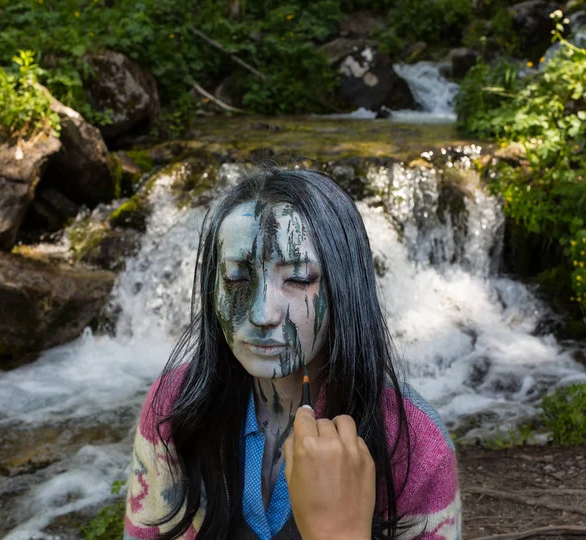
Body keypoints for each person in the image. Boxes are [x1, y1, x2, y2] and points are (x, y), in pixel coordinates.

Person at [123, 168, 461, 540]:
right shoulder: (175, 406)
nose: (262, 314)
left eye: (298, 279)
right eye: (237, 278)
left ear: (344, 288)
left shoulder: (412, 440)